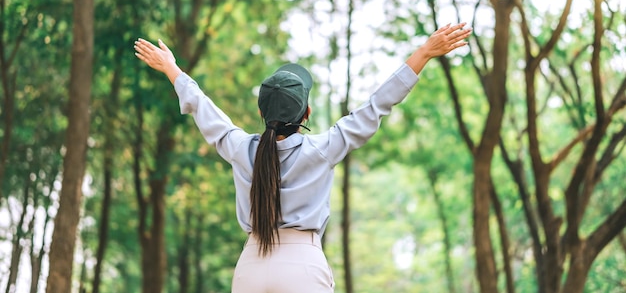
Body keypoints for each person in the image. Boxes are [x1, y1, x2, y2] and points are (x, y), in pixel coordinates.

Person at [133, 23, 471, 293]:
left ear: (260, 111)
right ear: (306, 112)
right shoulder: (323, 148)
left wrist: (171, 69)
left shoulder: (239, 147)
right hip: (303, 267)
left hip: (250, 268)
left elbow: (202, 106)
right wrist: (424, 53)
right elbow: (376, 105)